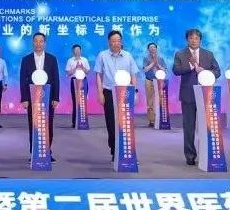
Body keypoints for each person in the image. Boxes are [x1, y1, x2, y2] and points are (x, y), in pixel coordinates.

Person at [172, 28, 221, 166]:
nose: (194, 40)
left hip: (206, 95)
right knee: (189, 127)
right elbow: (176, 70)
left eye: (196, 38)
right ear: (187, 39)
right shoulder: (180, 54)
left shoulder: (208, 54)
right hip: (188, 95)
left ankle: (208, 153)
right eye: (191, 38)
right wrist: (191, 65)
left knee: (208, 126)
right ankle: (190, 155)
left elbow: (217, 71)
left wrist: (205, 72)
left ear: (200, 40)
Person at [94, 30, 140, 163]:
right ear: (109, 42)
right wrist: (100, 92)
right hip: (109, 92)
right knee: (111, 123)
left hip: (126, 93)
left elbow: (133, 74)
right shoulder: (102, 55)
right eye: (113, 41)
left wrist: (135, 92)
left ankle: (129, 152)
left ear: (121, 42)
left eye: (118, 41)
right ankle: (115, 151)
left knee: (126, 123)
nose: (116, 43)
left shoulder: (128, 56)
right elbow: (98, 75)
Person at [19, 32, 60, 160]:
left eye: (41, 41)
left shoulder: (52, 59)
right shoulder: (26, 59)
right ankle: (34, 152)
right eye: (36, 41)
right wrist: (24, 98)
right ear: (33, 43)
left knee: (48, 124)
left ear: (44, 43)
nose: (38, 44)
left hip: (48, 98)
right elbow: (22, 80)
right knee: (34, 124)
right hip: (32, 99)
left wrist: (56, 97)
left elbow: (56, 79)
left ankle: (47, 151)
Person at [65, 44, 90, 128]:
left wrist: (82, 68)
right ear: (73, 51)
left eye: (78, 50)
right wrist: (75, 68)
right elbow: (68, 73)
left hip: (83, 81)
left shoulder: (85, 60)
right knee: (75, 102)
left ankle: (83, 122)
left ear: (81, 51)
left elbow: (88, 72)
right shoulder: (70, 61)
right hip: (74, 81)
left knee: (83, 101)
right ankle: (74, 122)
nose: (77, 51)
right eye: (75, 50)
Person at [142, 42, 166, 128]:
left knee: (160, 100)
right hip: (149, 80)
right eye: (150, 47)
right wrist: (153, 63)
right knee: (150, 101)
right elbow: (145, 70)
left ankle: (160, 118)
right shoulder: (146, 58)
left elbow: (164, 70)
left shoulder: (161, 58)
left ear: (156, 49)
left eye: (154, 47)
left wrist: (157, 64)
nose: (152, 49)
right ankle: (151, 120)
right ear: (148, 49)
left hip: (159, 81)